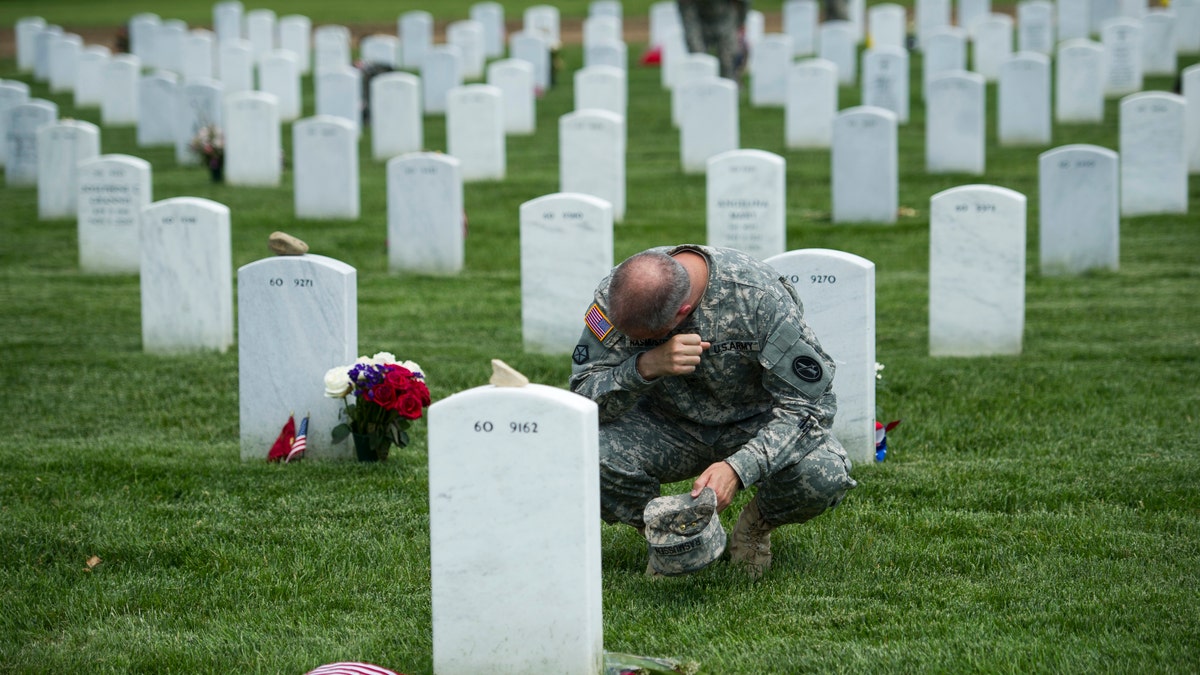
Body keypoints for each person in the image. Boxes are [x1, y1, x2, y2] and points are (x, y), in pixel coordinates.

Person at [569, 245, 857, 578]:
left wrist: (739, 468)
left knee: (823, 472)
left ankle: (754, 527)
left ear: (683, 312)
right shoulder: (617, 296)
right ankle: (669, 533)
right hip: (667, 426)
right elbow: (581, 400)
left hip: (752, 423)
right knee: (583, 452)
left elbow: (811, 407)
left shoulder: (758, 298)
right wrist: (645, 366)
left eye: (647, 338)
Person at [677, 0, 751, 81]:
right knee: (698, 58)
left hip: (725, 18)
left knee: (728, 62)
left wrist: (740, 22)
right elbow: (689, 22)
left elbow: (743, 3)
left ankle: (733, 84)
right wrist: (698, 54)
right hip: (699, 22)